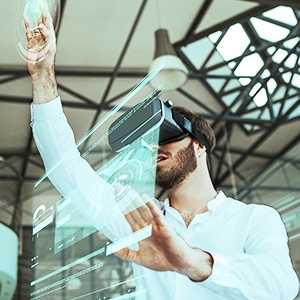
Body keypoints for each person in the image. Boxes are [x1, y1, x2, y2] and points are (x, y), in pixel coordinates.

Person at [25, 8, 299, 300]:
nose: (154, 147)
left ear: (199, 145)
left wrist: (192, 261)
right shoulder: (139, 222)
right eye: (147, 143)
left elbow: (282, 284)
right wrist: (43, 74)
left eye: (166, 135)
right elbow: (65, 168)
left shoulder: (254, 218)